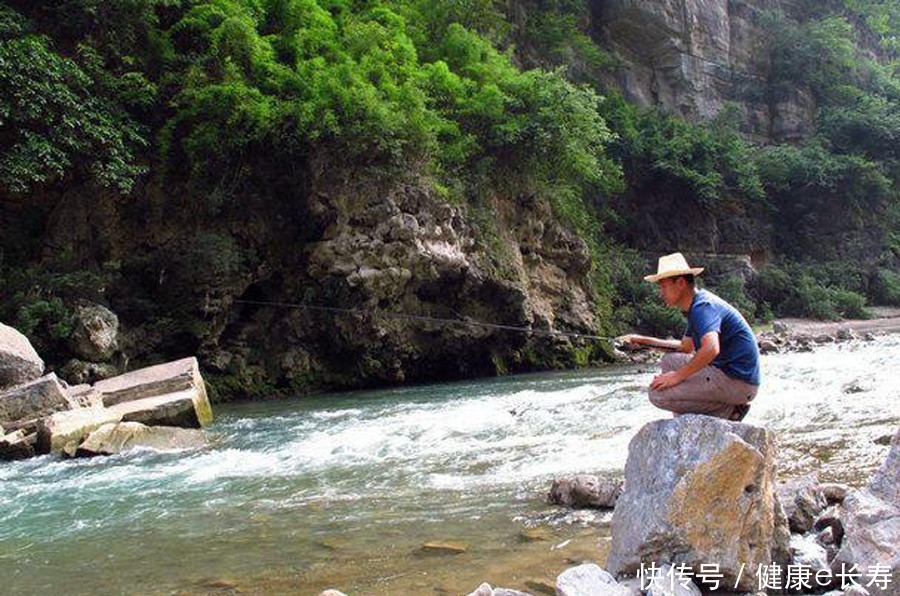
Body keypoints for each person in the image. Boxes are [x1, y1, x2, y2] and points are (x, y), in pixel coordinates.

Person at [619, 252, 760, 421]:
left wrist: (676, 377)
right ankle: (694, 417)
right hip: (730, 376)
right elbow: (685, 348)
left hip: (738, 383)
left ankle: (727, 410)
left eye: (663, 286)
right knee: (669, 361)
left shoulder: (703, 307)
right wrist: (643, 341)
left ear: (680, 283)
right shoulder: (697, 306)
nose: (660, 292)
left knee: (657, 395)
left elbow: (711, 348)